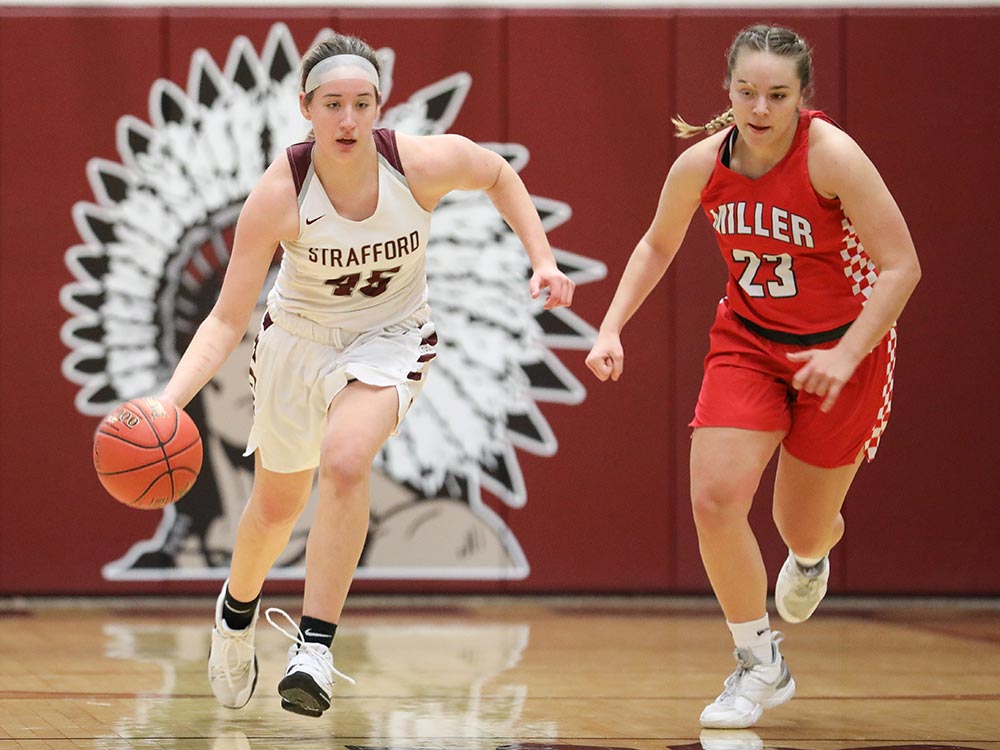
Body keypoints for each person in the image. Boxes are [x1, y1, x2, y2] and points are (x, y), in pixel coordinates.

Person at [159, 31, 574, 718]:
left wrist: (544, 259)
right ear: (306, 108)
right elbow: (227, 320)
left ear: (380, 106)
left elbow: (498, 174)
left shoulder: (420, 165)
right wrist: (170, 402)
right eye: (332, 104)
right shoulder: (279, 195)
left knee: (347, 460)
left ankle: (314, 647)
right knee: (275, 508)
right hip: (297, 344)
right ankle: (234, 616)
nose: (348, 119)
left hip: (390, 337)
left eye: (362, 103)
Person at [585, 24, 920, 729]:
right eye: (747, 92)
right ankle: (759, 662)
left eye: (777, 95)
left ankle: (811, 554)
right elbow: (656, 244)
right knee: (713, 498)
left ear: (803, 97)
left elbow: (901, 267)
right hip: (750, 341)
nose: (760, 108)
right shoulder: (702, 164)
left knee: (799, 525)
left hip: (844, 352)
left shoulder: (832, 157)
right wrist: (610, 326)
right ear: (728, 91)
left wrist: (844, 355)